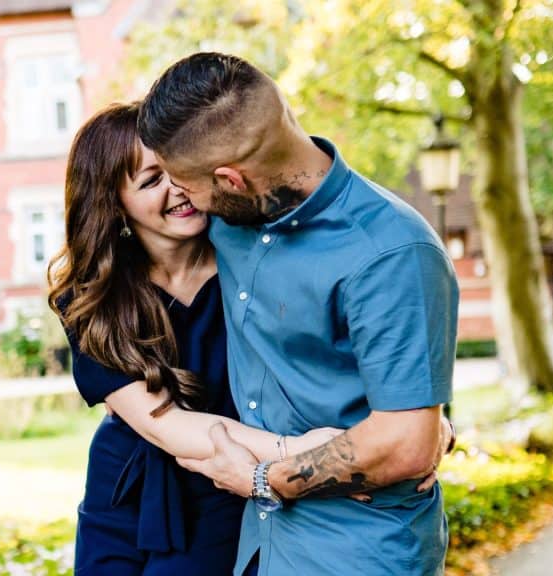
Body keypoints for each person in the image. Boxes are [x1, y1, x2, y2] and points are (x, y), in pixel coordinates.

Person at [137, 52, 460, 575]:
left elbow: (405, 446)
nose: (183, 200)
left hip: (361, 553)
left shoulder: (391, 251)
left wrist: (263, 479)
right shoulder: (231, 220)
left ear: (232, 180)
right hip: (262, 546)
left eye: (186, 186)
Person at [48, 102, 341, 575]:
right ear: (114, 203)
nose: (177, 188)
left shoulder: (249, 260)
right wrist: (300, 450)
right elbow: (167, 424)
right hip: (123, 493)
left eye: (178, 168)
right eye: (151, 181)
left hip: (225, 478)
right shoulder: (93, 297)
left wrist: (401, 425)